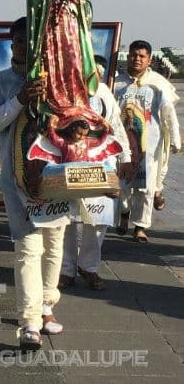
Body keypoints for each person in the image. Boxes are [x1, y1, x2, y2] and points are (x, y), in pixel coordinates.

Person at [0, 17, 69, 351]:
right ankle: (29, 322)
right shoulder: (1, 81)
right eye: (19, 42)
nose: (25, 48)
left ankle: (46, 305)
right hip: (19, 180)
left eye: (31, 41)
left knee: (55, 242)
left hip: (56, 177)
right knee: (28, 246)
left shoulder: (56, 79)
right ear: (12, 46)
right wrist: (20, 100)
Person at [60, 58, 132, 290]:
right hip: (71, 162)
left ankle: (89, 268)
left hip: (102, 163)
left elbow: (117, 128)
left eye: (98, 72)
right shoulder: (64, 92)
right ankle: (66, 270)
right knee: (69, 219)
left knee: (99, 219)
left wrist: (126, 158)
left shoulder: (103, 93)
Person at [25, 0, 102, 132]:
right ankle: (54, 104)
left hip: (69, 28)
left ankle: (77, 102)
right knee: (52, 66)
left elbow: (86, 4)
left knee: (73, 63)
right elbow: (34, 9)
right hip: (49, 31)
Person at [114, 40, 181, 242]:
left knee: (146, 186)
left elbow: (169, 114)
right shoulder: (116, 83)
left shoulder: (158, 83)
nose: (137, 58)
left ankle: (140, 226)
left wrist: (176, 139)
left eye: (142, 56)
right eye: (134, 54)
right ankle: (123, 216)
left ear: (149, 59)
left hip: (149, 146)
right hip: (123, 144)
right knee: (122, 182)